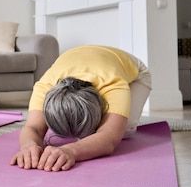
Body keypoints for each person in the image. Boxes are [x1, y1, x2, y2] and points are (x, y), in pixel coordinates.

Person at [10, 45, 152, 172]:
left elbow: (109, 138)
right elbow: (33, 127)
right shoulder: (44, 86)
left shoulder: (114, 84)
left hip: (135, 73)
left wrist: (70, 150)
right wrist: (29, 146)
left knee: (124, 131)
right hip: (78, 58)